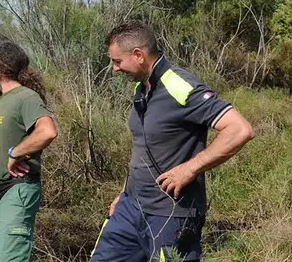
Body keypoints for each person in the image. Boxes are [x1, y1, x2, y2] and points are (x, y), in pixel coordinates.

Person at [90, 20, 255, 261]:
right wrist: (124, 193)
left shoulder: (179, 85)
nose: (114, 69)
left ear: (138, 55)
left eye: (117, 61)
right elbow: (144, 147)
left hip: (170, 215)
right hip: (130, 209)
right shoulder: (141, 88)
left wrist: (191, 168)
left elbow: (240, 129)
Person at [0, 41, 59, 262]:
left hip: (18, 190)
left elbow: (47, 131)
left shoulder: (26, 97)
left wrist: (16, 153)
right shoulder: (6, 101)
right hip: (0, 192)